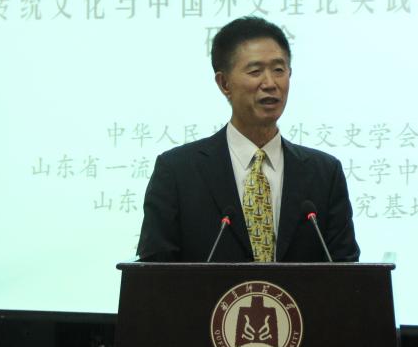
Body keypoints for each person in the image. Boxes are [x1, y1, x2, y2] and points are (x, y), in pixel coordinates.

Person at [137, 16, 359, 263]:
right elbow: (154, 272)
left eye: (279, 70)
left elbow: (346, 269)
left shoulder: (324, 173)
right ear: (224, 83)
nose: (270, 83)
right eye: (255, 71)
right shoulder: (178, 171)